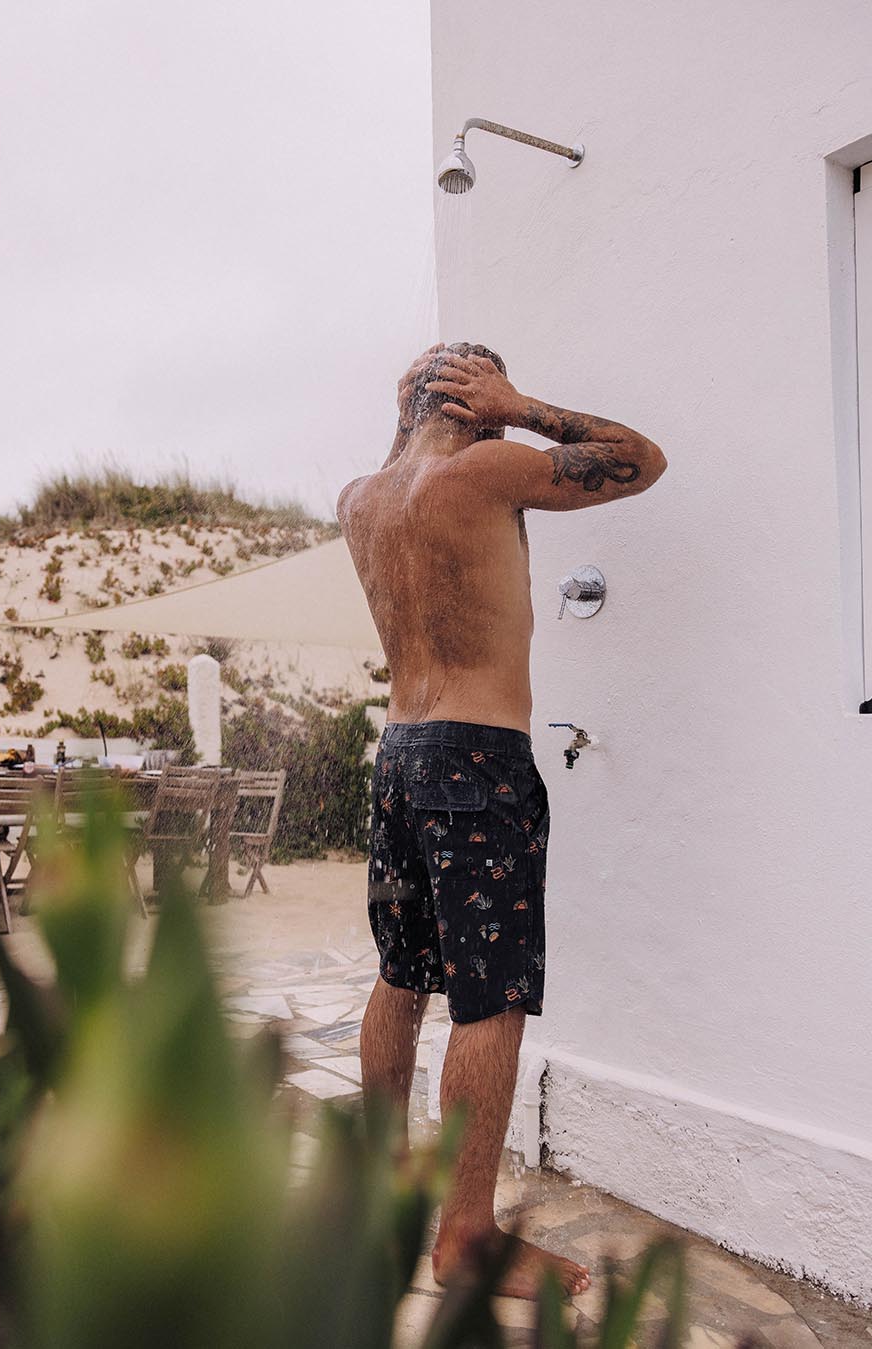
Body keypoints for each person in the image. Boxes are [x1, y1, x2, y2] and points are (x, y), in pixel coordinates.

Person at [337, 343, 667, 1299]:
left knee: (401, 976)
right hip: (476, 761)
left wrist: (413, 414)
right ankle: (467, 1239)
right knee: (492, 999)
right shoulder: (485, 470)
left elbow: (405, 458)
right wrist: (522, 406)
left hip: (398, 759)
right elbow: (641, 459)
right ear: (475, 404)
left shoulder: (362, 500)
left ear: (408, 407)